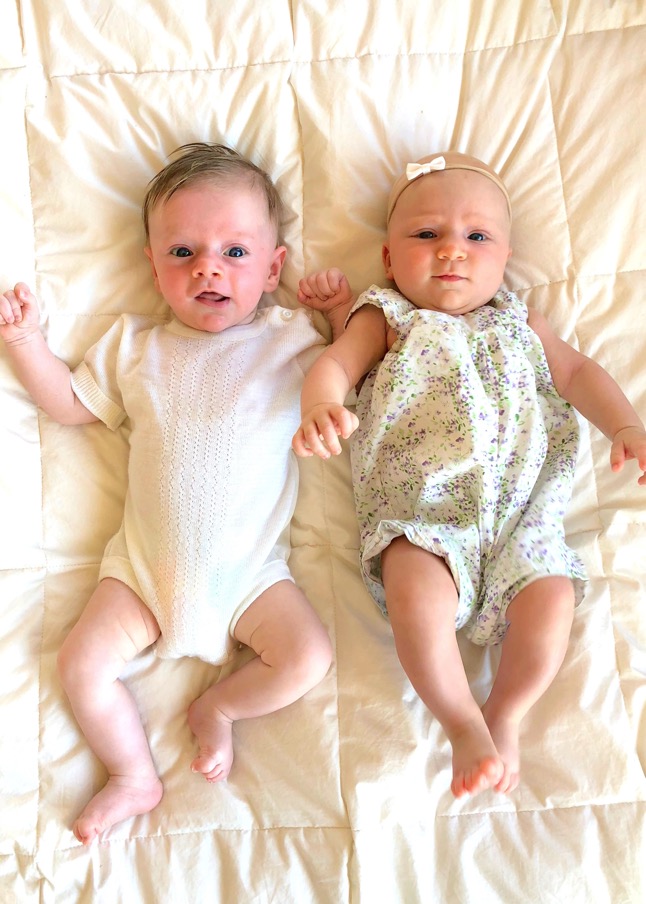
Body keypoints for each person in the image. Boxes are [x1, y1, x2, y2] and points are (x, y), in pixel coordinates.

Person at [0, 142, 341, 845]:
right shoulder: (135, 349)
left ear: (274, 268)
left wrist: (338, 314)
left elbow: (350, 370)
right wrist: (27, 342)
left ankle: (221, 708)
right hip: (142, 574)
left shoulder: (292, 342)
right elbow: (70, 405)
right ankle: (132, 774)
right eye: (183, 252)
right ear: (154, 268)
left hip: (251, 576)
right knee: (80, 665)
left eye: (235, 253)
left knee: (307, 657)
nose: (208, 268)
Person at [292, 151, 646, 799]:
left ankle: (503, 713)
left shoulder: (520, 319)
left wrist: (625, 425)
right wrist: (321, 404)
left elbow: (576, 373)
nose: (452, 249)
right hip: (423, 514)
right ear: (390, 258)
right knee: (414, 589)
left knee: (553, 597)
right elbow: (337, 364)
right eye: (427, 234)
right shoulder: (388, 315)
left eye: (477, 237)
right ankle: (461, 722)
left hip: (521, 518)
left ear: (505, 257)